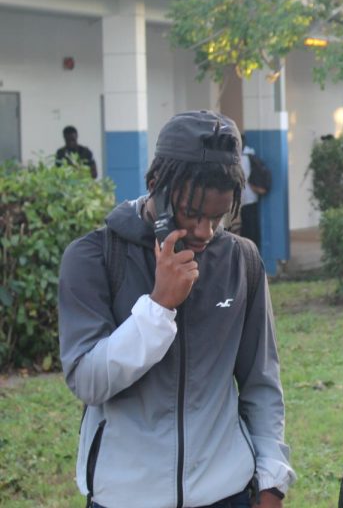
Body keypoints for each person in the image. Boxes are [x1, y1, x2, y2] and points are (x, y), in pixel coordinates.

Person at [58, 111, 295, 508]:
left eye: (218, 217)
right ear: (156, 186)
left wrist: (271, 480)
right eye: (192, 213)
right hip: (126, 497)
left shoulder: (242, 261)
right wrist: (158, 308)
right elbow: (88, 381)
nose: (204, 231)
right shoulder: (93, 257)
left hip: (226, 492)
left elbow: (260, 380)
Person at [239, 134, 261, 250]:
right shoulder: (250, 154)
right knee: (252, 227)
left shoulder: (242, 157)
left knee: (248, 229)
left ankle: (249, 251)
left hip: (246, 198)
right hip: (252, 196)